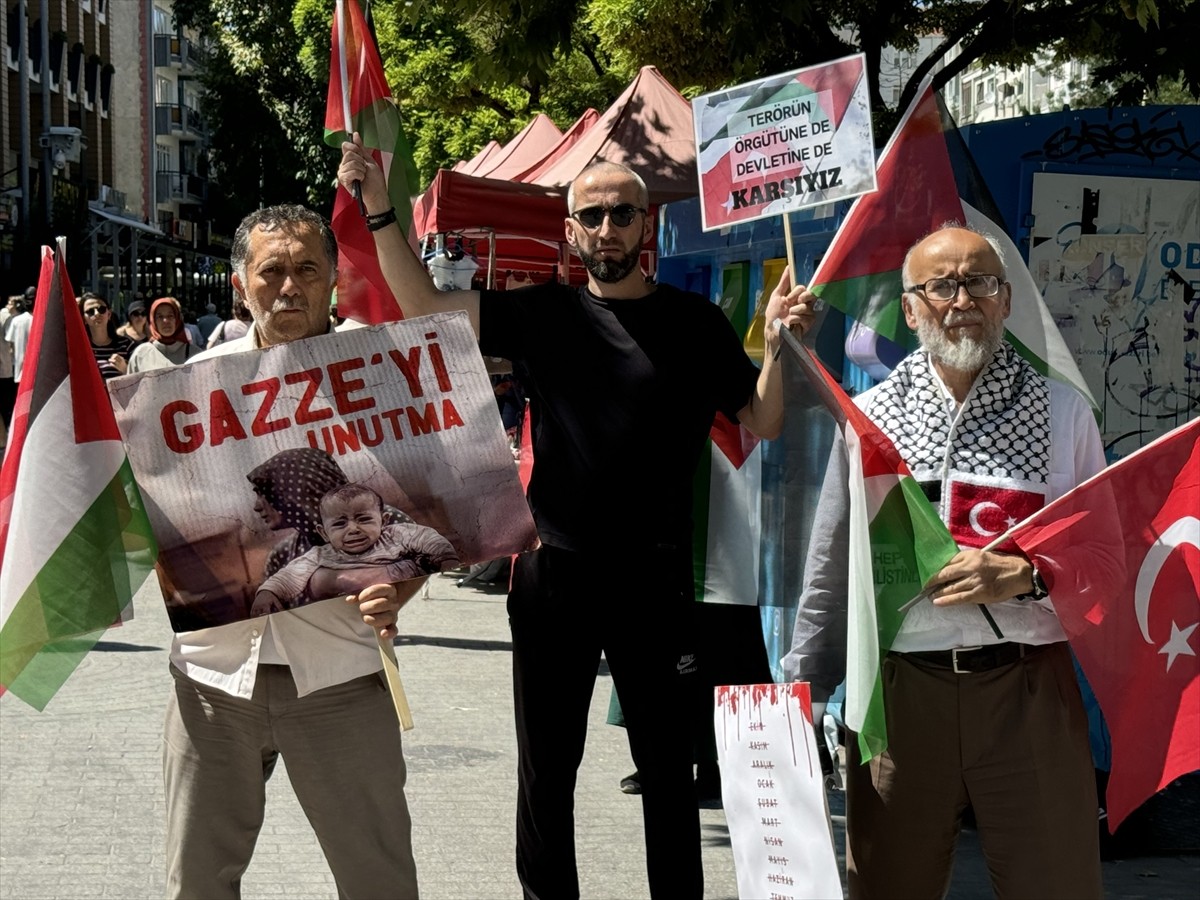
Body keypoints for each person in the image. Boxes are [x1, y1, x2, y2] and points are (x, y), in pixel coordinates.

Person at [340, 137, 816, 900]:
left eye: (621, 214)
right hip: (552, 572)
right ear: (570, 231)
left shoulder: (696, 324)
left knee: (667, 768)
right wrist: (379, 209)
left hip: (655, 579)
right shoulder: (542, 315)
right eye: (590, 215)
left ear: (646, 225)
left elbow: (760, 415)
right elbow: (422, 305)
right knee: (547, 768)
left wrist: (785, 340)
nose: (606, 229)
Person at [781, 224, 1105, 899]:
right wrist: (802, 692)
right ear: (909, 307)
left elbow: (1104, 554)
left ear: (1006, 299)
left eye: (980, 282)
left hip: (1029, 695)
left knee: (1058, 886)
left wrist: (1024, 573)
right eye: (941, 285)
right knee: (886, 887)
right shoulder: (868, 421)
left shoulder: (1065, 413)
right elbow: (831, 568)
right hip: (902, 700)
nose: (963, 300)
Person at [162, 204, 420, 899]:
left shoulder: (383, 374)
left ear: (334, 278)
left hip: (339, 670)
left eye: (308, 269)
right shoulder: (183, 394)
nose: (289, 287)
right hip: (215, 681)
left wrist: (398, 586)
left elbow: (424, 518)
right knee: (196, 883)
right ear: (240, 284)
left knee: (379, 880)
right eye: (271, 271)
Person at [252, 483, 459, 615]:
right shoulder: (320, 555)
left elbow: (427, 537)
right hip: (344, 614)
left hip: (384, 606)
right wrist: (268, 593)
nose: (353, 529)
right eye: (340, 524)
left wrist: (446, 557)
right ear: (323, 533)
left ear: (383, 521)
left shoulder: (395, 535)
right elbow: (288, 576)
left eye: (364, 519)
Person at [127, 297, 197, 372]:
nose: (165, 321)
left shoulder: (194, 354)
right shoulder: (141, 354)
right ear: (154, 321)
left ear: (177, 319)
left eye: (170, 316)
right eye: (160, 317)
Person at [78, 292, 135, 380]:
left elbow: (142, 380)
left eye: (101, 309)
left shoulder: (127, 345)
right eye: (90, 311)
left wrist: (126, 369)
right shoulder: (79, 348)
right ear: (83, 319)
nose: (97, 313)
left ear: (109, 314)